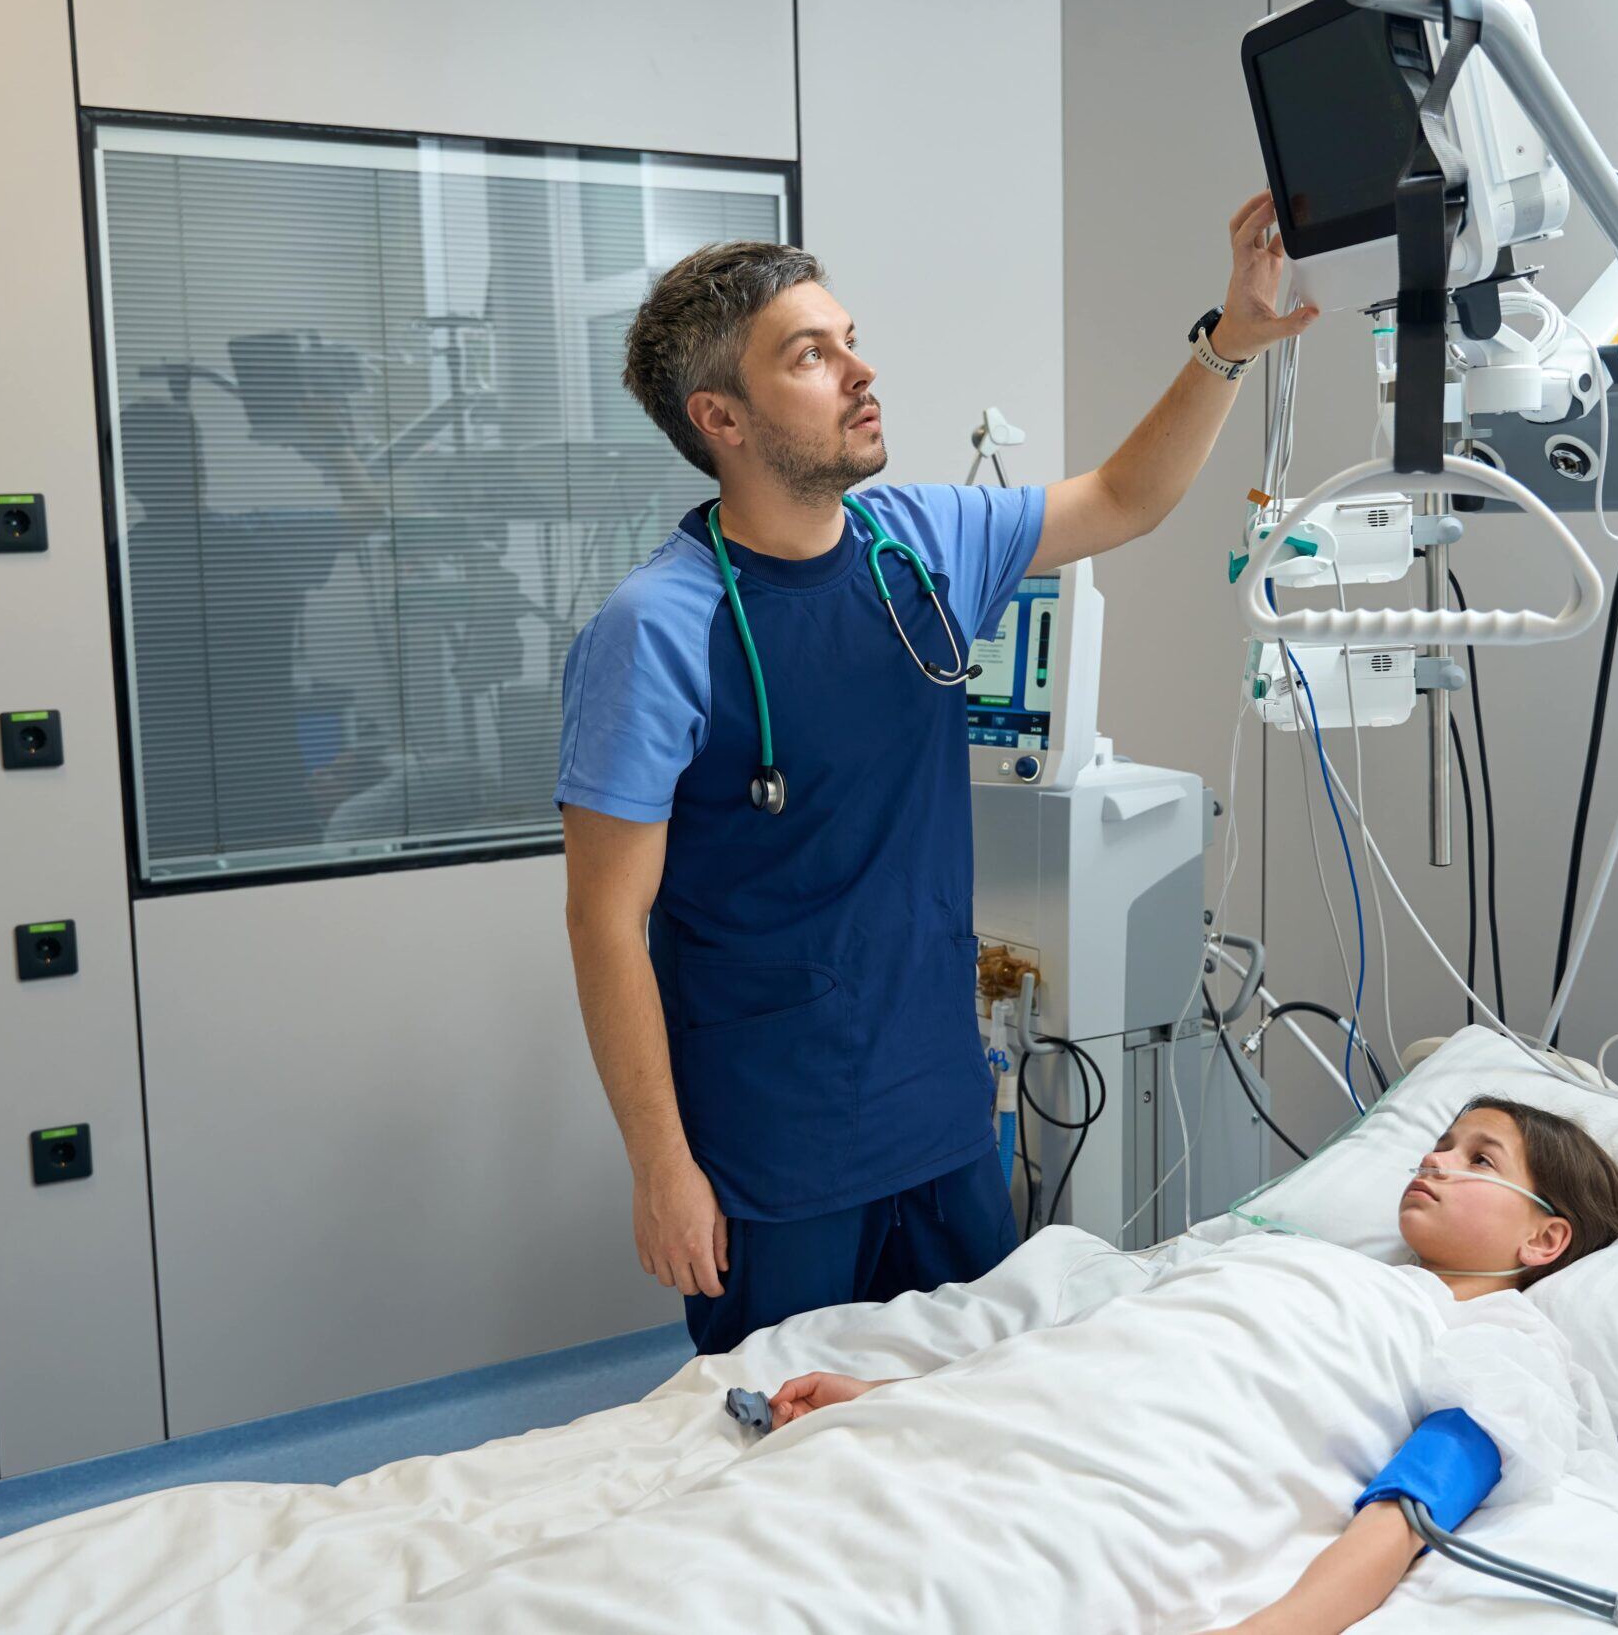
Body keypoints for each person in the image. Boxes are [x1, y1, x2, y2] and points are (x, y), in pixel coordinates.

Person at [556, 197, 1319, 1354]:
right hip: (775, 1139)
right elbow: (606, 923)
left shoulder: (917, 541)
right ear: (722, 417)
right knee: (790, 1446)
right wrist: (661, 1166)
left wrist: (1228, 344)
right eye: (810, 356)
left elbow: (1123, 498)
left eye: (847, 337)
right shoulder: (658, 628)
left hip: (940, 1107)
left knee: (975, 1407)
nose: (860, 372)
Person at [768, 1097, 1618, 1635]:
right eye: (1440, 1142)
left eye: (1480, 1158)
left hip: (1122, 1488)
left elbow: (1408, 1513)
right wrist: (896, 1396)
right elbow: (1093, 1351)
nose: (1435, 1159)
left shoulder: (1493, 1339)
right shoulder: (1304, 1260)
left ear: (1545, 1237)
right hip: (1013, 1426)